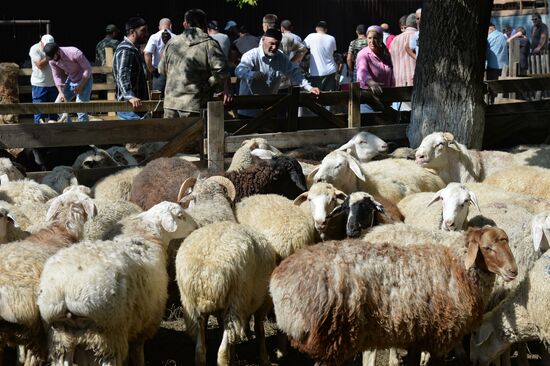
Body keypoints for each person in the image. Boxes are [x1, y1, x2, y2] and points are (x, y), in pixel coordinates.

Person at [159, 8, 232, 120]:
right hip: (195, 104)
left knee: (172, 137)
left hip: (170, 104)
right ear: (204, 24)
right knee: (195, 137)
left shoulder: (172, 43)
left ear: (185, 24)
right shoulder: (210, 44)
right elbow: (222, 72)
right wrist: (208, 84)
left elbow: (161, 70)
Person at [235, 28, 320, 117]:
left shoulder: (280, 57)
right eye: (271, 43)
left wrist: (309, 87)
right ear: (263, 40)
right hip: (249, 109)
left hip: (269, 110)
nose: (274, 47)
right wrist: (252, 74)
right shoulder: (251, 55)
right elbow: (239, 71)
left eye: (277, 44)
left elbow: (293, 72)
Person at [44, 42, 93, 122]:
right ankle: (70, 127)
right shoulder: (52, 60)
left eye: (53, 57)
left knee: (80, 109)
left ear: (57, 52)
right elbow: (56, 76)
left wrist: (80, 85)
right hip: (72, 79)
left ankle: (84, 131)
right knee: (58, 105)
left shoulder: (74, 52)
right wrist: (60, 92)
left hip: (85, 79)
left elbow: (88, 69)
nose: (52, 59)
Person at [113, 17, 150, 120]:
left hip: (135, 106)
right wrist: (130, 96)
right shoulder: (126, 49)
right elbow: (122, 75)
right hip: (130, 107)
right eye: (143, 30)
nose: (146, 33)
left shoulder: (132, 49)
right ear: (132, 32)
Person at [356, 25, 394, 94]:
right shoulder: (363, 54)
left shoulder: (386, 54)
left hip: (386, 97)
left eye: (375, 38)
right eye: (369, 38)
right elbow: (362, 71)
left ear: (381, 39)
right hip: (368, 97)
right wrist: (371, 82)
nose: (372, 41)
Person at [29, 34, 58, 124]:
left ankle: (54, 133)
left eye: (50, 46)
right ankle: (38, 135)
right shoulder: (34, 49)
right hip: (39, 84)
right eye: (46, 46)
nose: (48, 47)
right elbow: (39, 65)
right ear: (41, 43)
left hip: (53, 84)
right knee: (39, 111)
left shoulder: (55, 48)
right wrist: (50, 55)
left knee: (54, 112)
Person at [303, 21, 338, 92]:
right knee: (330, 97)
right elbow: (333, 51)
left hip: (316, 72)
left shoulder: (311, 36)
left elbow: (302, 49)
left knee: (316, 96)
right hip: (331, 71)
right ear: (326, 30)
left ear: (316, 28)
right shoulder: (332, 38)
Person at [144, 18, 175, 95]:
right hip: (174, 73)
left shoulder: (154, 37)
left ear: (159, 27)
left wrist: (151, 69)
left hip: (159, 73)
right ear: (170, 26)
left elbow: (147, 53)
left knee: (158, 99)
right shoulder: (176, 37)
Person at [389, 13, 417, 88]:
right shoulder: (418, 37)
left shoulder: (395, 40)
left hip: (399, 81)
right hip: (416, 81)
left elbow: (390, 60)